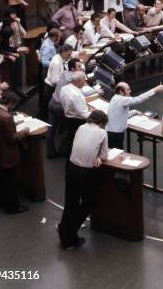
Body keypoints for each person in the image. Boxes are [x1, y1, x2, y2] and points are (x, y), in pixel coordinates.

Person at [58, 110, 109, 249]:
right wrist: (98, 158)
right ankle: (68, 235)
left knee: (70, 203)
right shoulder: (102, 132)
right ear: (101, 122)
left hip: (71, 168)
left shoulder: (81, 127)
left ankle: (64, 228)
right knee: (89, 202)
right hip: (85, 172)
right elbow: (104, 156)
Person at [0, 91, 30, 214]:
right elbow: (12, 138)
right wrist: (24, 131)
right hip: (7, 153)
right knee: (10, 180)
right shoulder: (7, 117)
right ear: (11, 103)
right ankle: (12, 207)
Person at [107, 82, 163, 149]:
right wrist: (155, 90)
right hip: (115, 135)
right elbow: (138, 99)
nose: (130, 91)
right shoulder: (122, 100)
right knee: (116, 154)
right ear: (121, 91)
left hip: (112, 133)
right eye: (128, 90)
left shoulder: (115, 98)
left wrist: (134, 111)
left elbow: (120, 115)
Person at [47, 58, 82, 159]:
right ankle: (63, 151)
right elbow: (79, 92)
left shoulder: (65, 73)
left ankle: (50, 152)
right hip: (60, 107)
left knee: (51, 129)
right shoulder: (72, 79)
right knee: (68, 128)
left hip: (52, 102)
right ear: (72, 68)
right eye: (79, 67)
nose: (81, 69)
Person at [59, 71, 90, 161]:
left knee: (70, 139)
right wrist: (93, 112)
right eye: (84, 80)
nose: (85, 83)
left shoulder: (64, 88)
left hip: (68, 118)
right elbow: (84, 115)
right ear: (79, 81)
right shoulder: (76, 95)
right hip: (77, 121)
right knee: (77, 142)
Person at [43, 44, 73, 119]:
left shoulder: (59, 57)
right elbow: (54, 80)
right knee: (51, 115)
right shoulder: (56, 62)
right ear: (63, 52)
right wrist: (67, 82)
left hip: (51, 87)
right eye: (68, 55)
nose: (69, 57)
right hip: (50, 88)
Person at [38, 28, 62, 119]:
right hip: (46, 72)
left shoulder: (49, 43)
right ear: (55, 36)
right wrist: (56, 62)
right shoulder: (48, 46)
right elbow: (44, 62)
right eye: (58, 37)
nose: (59, 39)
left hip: (49, 70)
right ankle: (45, 116)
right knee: (47, 95)